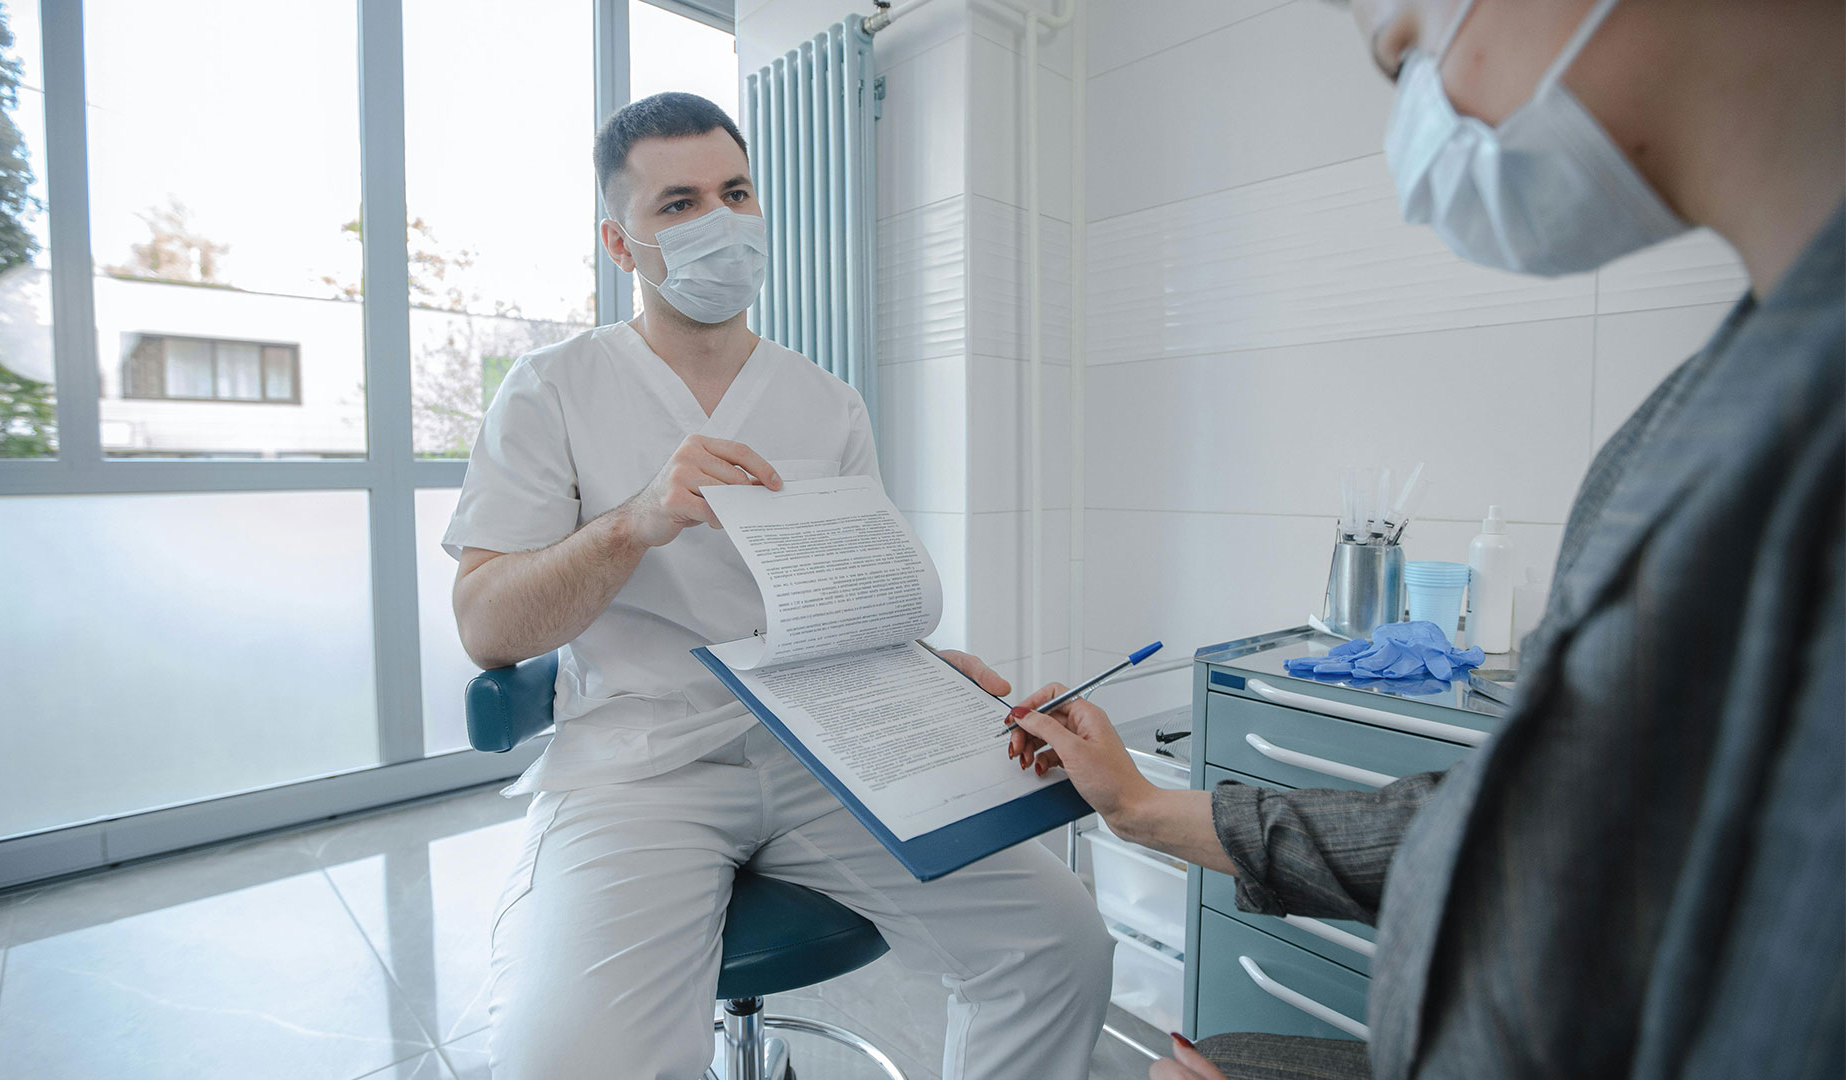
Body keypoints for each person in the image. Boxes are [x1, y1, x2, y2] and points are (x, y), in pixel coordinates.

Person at [1008, 1, 1844, 1077]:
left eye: (1404, 53)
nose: (1427, 118)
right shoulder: (1714, 394)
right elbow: (1515, 825)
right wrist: (1144, 809)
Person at [443, 91, 1113, 1079]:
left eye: (736, 192)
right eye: (678, 204)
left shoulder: (824, 402)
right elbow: (485, 627)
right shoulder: (552, 389)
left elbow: (850, 600)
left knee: (1060, 945)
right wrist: (635, 521)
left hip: (823, 753)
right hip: (643, 762)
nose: (721, 222)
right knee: (566, 1062)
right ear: (620, 244)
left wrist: (932, 679)